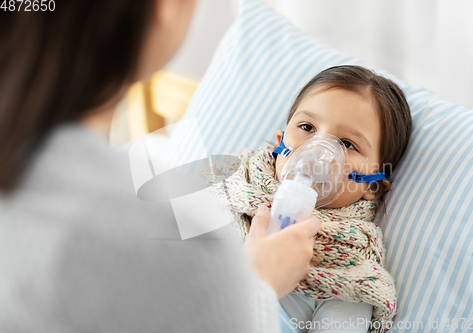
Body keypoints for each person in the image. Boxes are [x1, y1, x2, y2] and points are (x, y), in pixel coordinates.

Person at [0, 1, 321, 332]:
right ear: (165, 7)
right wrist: (260, 286)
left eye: (349, 144)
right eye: (307, 128)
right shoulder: (182, 247)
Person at [209, 65, 412, 333]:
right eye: (307, 127)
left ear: (372, 187)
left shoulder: (350, 274)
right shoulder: (225, 182)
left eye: (348, 144)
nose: (317, 152)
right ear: (280, 142)